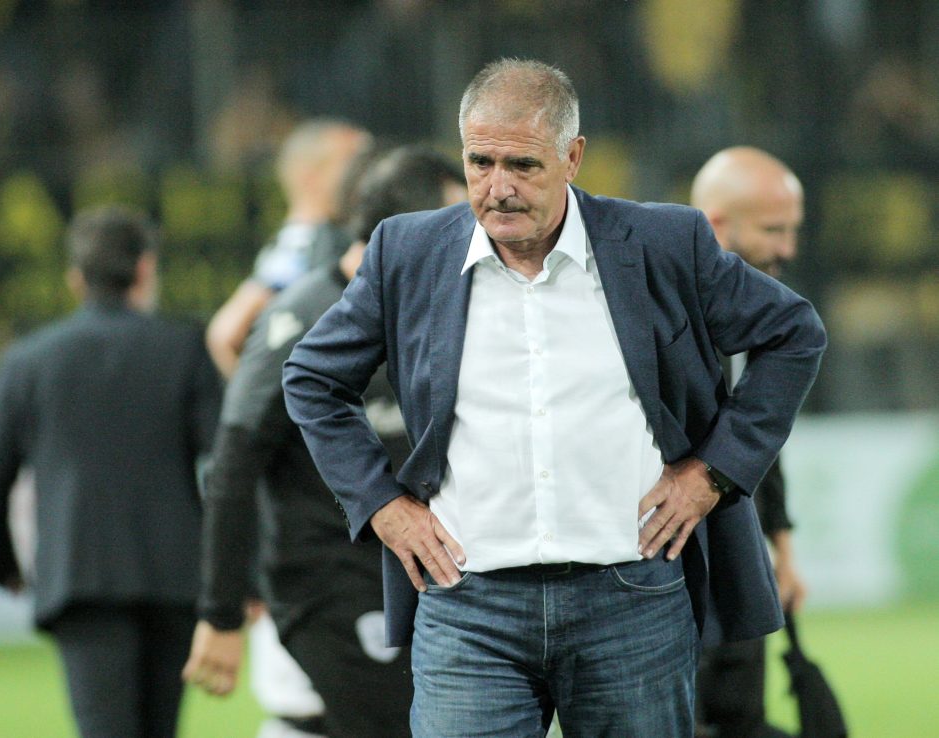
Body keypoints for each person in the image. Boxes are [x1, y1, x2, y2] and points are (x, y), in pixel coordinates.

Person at [282, 58, 827, 737]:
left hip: (631, 599)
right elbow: (311, 377)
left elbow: (793, 334)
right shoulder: (407, 251)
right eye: (480, 163)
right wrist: (382, 506)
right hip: (466, 605)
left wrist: (712, 473)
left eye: (523, 165)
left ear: (572, 157)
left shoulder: (663, 242)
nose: (498, 187)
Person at [182, 145, 467, 738]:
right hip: (329, 580)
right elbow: (233, 462)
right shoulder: (303, 315)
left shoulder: (444, 309)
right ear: (405, 228)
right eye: (456, 220)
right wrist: (221, 611)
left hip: (428, 571)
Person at [0, 205, 222, 738]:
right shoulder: (183, 347)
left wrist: (3, 566)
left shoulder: (28, 360)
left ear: (75, 278)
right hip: (173, 577)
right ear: (145, 268)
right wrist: (234, 569)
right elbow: (226, 464)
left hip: (79, 577)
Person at [690, 146, 809, 738]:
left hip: (736, 556)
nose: (788, 248)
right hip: (667, 571)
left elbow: (760, 433)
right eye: (772, 230)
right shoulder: (658, 307)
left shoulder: (753, 312)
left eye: (792, 230)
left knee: (744, 720)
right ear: (717, 225)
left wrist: (781, 546)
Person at [204, 118, 371, 378]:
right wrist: (266, 396)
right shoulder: (301, 245)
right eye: (352, 163)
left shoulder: (326, 239)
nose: (367, 174)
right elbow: (224, 335)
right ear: (311, 178)